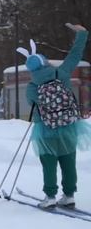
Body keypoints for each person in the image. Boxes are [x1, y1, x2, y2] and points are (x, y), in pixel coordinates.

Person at [20, 23, 91, 208]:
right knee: (69, 160)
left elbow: (33, 104)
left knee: (49, 163)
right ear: (45, 62)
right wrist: (82, 34)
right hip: (69, 126)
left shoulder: (32, 86)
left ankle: (50, 197)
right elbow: (75, 55)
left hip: (46, 130)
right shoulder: (62, 73)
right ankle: (69, 195)